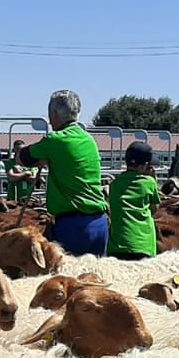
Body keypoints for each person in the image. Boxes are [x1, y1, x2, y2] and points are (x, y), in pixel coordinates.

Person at [17, 90, 108, 256]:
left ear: (54, 113)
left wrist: (40, 157)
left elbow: (23, 159)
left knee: (67, 279)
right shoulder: (89, 140)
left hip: (73, 226)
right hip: (99, 223)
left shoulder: (54, 140)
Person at [107, 141, 161, 260]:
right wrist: (153, 178)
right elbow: (154, 209)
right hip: (143, 245)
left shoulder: (114, 185)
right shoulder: (149, 183)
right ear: (143, 166)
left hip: (117, 246)